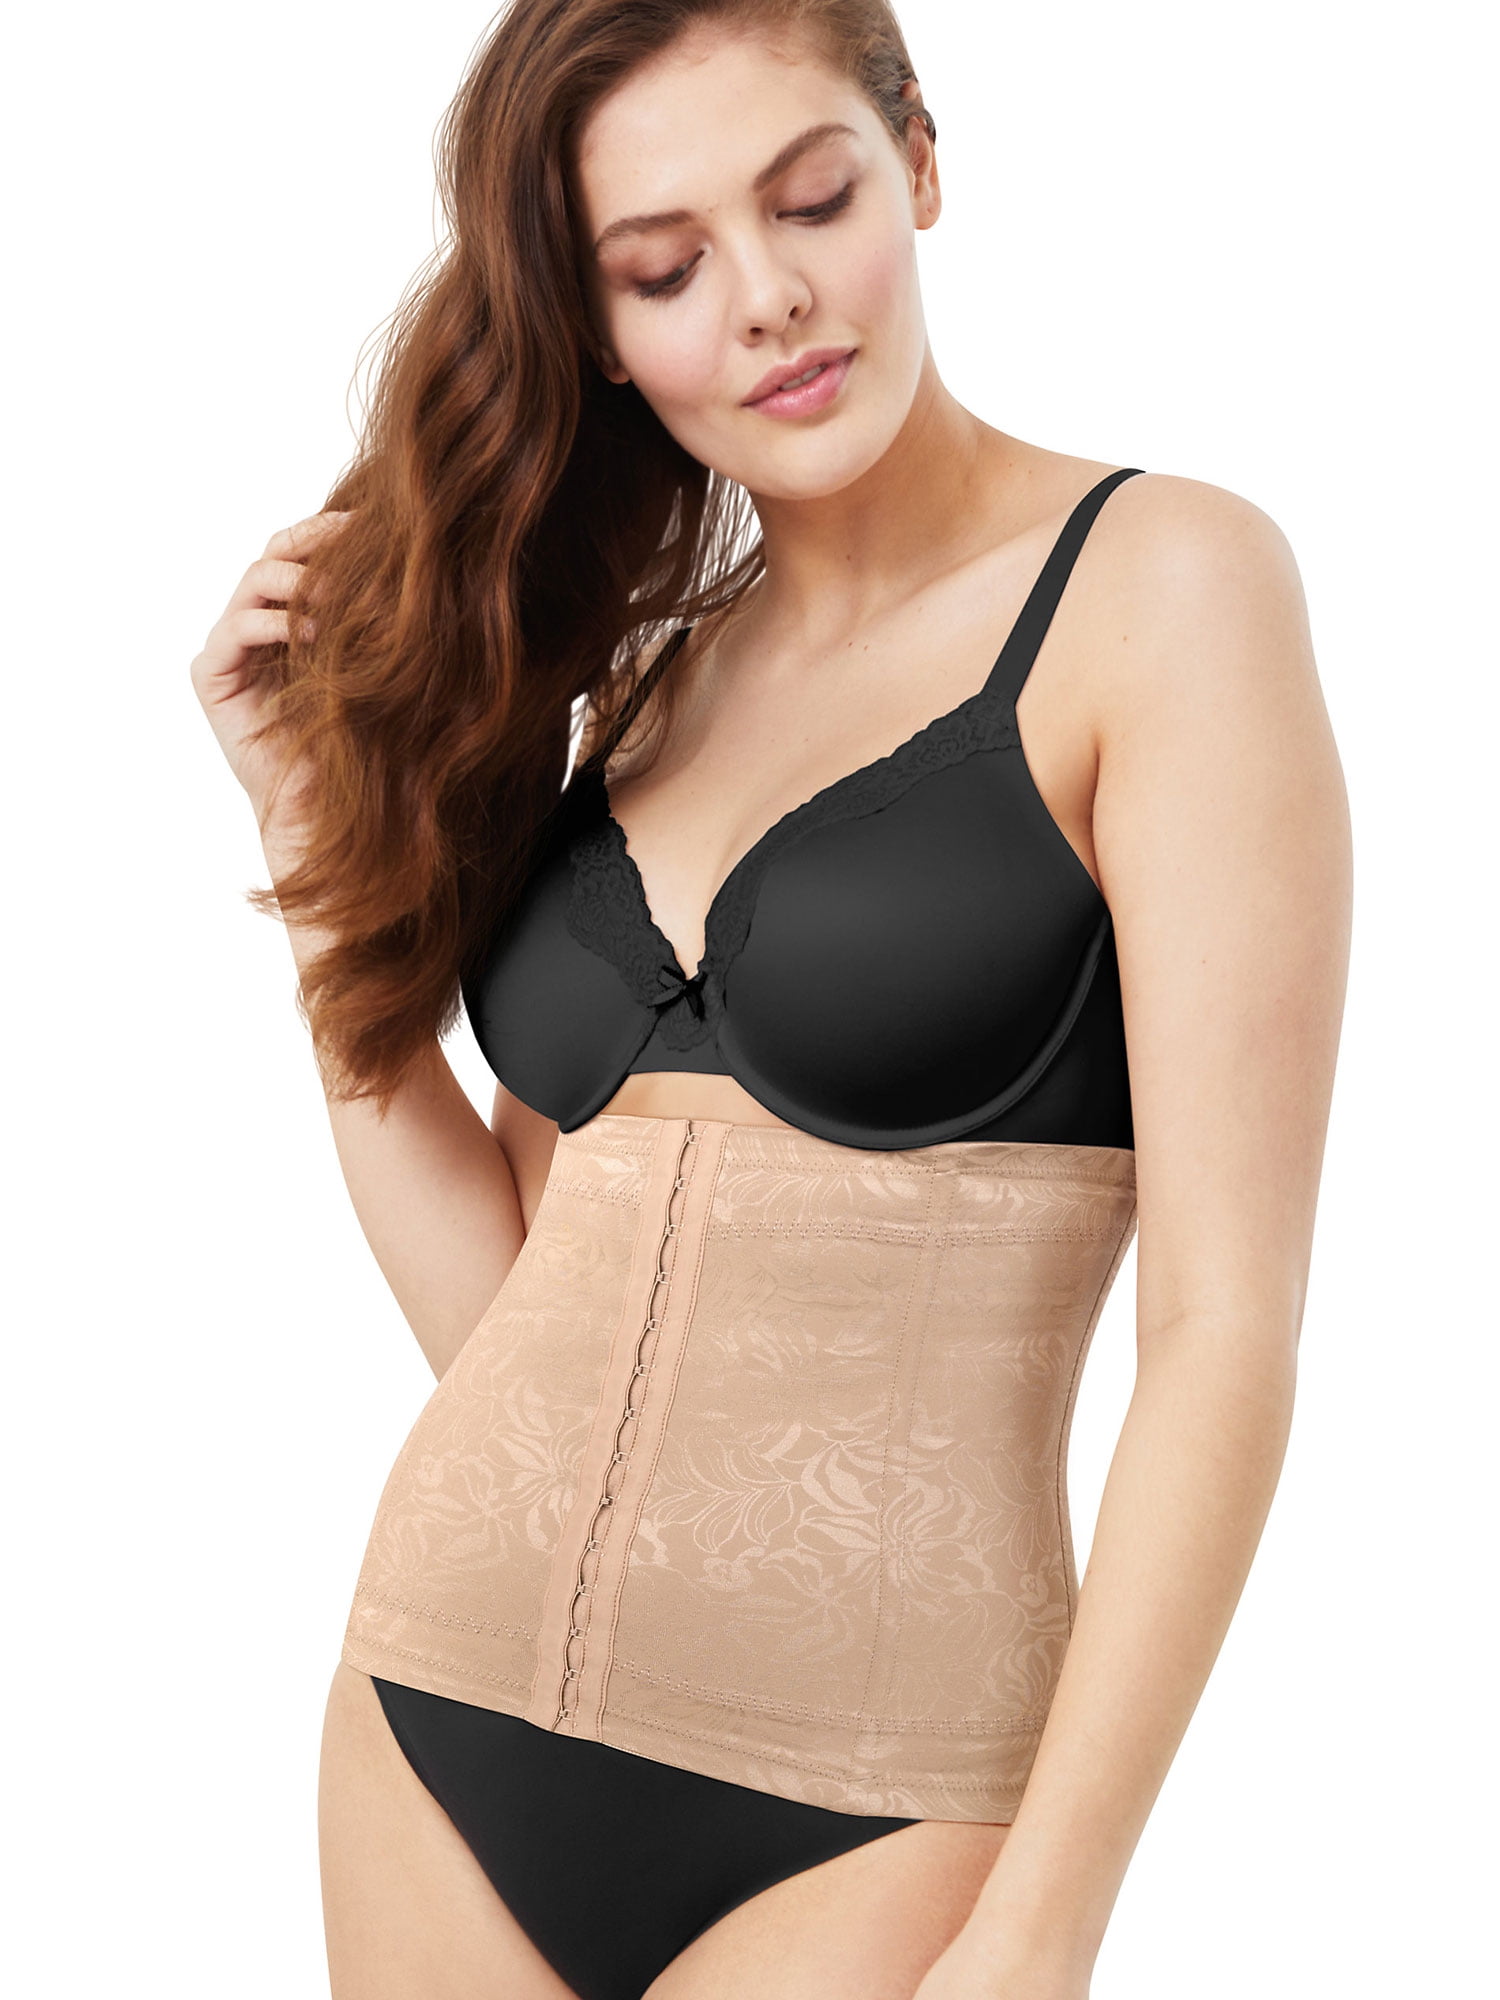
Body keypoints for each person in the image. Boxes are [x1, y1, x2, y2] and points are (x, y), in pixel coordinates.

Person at [190, 2, 1352, 1995]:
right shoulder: (646, 680)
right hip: (437, 1714)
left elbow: (1223, 1331)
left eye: (811, 199)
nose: (768, 298)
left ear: (920, 160)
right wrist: (305, 832)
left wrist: (1047, 1918)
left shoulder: (1163, 587)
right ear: (596, 328)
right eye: (664, 269)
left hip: (889, 1796)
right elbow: (508, 1311)